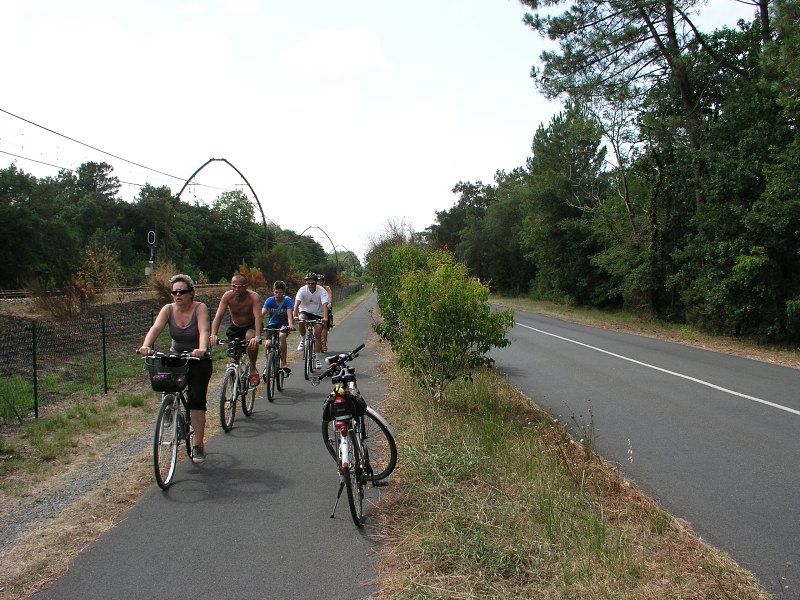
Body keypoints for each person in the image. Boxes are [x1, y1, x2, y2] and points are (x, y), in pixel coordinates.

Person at [139, 274, 212, 463]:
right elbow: (155, 328)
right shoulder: (168, 309)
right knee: (165, 384)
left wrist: (202, 349)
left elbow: (204, 330)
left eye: (182, 292)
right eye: (174, 292)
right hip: (177, 356)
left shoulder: (199, 308)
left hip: (197, 358)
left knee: (196, 400)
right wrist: (146, 346)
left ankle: (198, 445)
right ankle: (170, 407)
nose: (177, 295)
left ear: (191, 293)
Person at [210, 273, 262, 388]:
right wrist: (213, 334)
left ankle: (253, 368)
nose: (236, 289)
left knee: (250, 338)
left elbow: (258, 317)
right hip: (235, 327)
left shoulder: (253, 297)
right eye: (234, 286)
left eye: (240, 286)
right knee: (232, 359)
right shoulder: (227, 296)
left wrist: (257, 337)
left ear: (246, 286)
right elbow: (218, 316)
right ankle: (233, 390)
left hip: (251, 325)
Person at [294, 272, 329, 370]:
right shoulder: (302, 290)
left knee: (317, 333)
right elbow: (297, 304)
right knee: (301, 320)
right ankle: (303, 339)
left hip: (318, 313)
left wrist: (325, 317)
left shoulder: (322, 291)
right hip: (305, 311)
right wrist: (294, 315)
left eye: (312, 283)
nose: (310, 285)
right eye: (308, 283)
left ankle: (317, 359)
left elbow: (325, 305)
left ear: (316, 283)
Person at [261, 280, 294, 373]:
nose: (278, 295)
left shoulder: (287, 300)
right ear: (273, 291)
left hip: (284, 324)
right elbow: (262, 312)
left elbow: (289, 313)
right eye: (276, 292)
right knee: (267, 344)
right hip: (272, 324)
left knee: (282, 336)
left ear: (283, 292)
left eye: (280, 293)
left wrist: (290, 324)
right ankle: (268, 364)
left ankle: (284, 362)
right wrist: (257, 321)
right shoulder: (269, 300)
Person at [318, 273, 333, 352]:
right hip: (316, 308)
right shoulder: (314, 289)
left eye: (321, 281)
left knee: (324, 325)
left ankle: (324, 343)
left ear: (323, 282)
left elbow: (329, 296)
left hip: (324, 306)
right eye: (318, 281)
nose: (319, 283)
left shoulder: (327, 288)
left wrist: (329, 303)